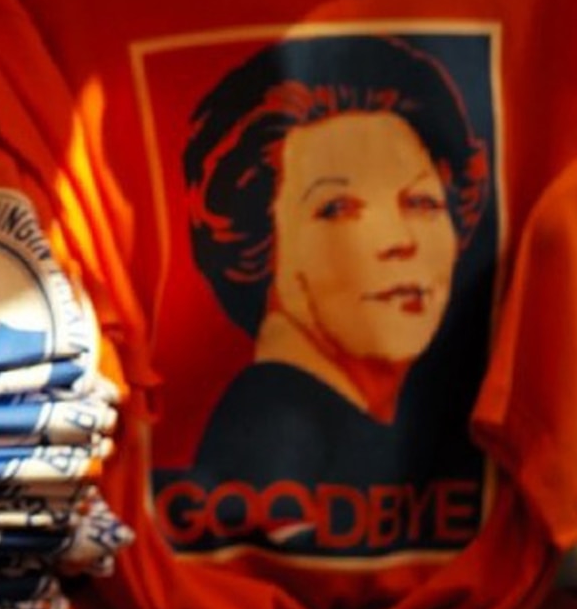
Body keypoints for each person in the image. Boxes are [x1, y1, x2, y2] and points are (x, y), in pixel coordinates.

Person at [180, 37, 490, 499]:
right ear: (257, 240)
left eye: (422, 202)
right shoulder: (275, 435)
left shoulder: (364, 431)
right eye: (339, 208)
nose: (400, 241)